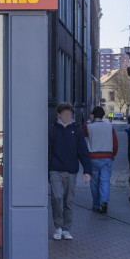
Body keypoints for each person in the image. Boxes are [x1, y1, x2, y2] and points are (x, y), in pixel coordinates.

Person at [49, 102, 92, 240]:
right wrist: (47, 170)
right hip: (55, 170)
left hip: (71, 171)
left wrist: (87, 171)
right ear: (59, 115)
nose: (68, 117)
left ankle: (66, 229)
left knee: (68, 201)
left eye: (70, 114)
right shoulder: (52, 130)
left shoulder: (76, 130)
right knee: (56, 197)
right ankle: (58, 226)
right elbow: (48, 151)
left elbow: (83, 151)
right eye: (65, 114)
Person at [85, 105, 119, 214]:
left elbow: (82, 132)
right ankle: (104, 201)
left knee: (94, 182)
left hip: (93, 158)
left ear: (93, 115)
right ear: (103, 115)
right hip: (107, 157)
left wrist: (89, 121)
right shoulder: (110, 127)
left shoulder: (89, 127)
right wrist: (113, 154)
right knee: (105, 181)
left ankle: (96, 204)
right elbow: (115, 143)